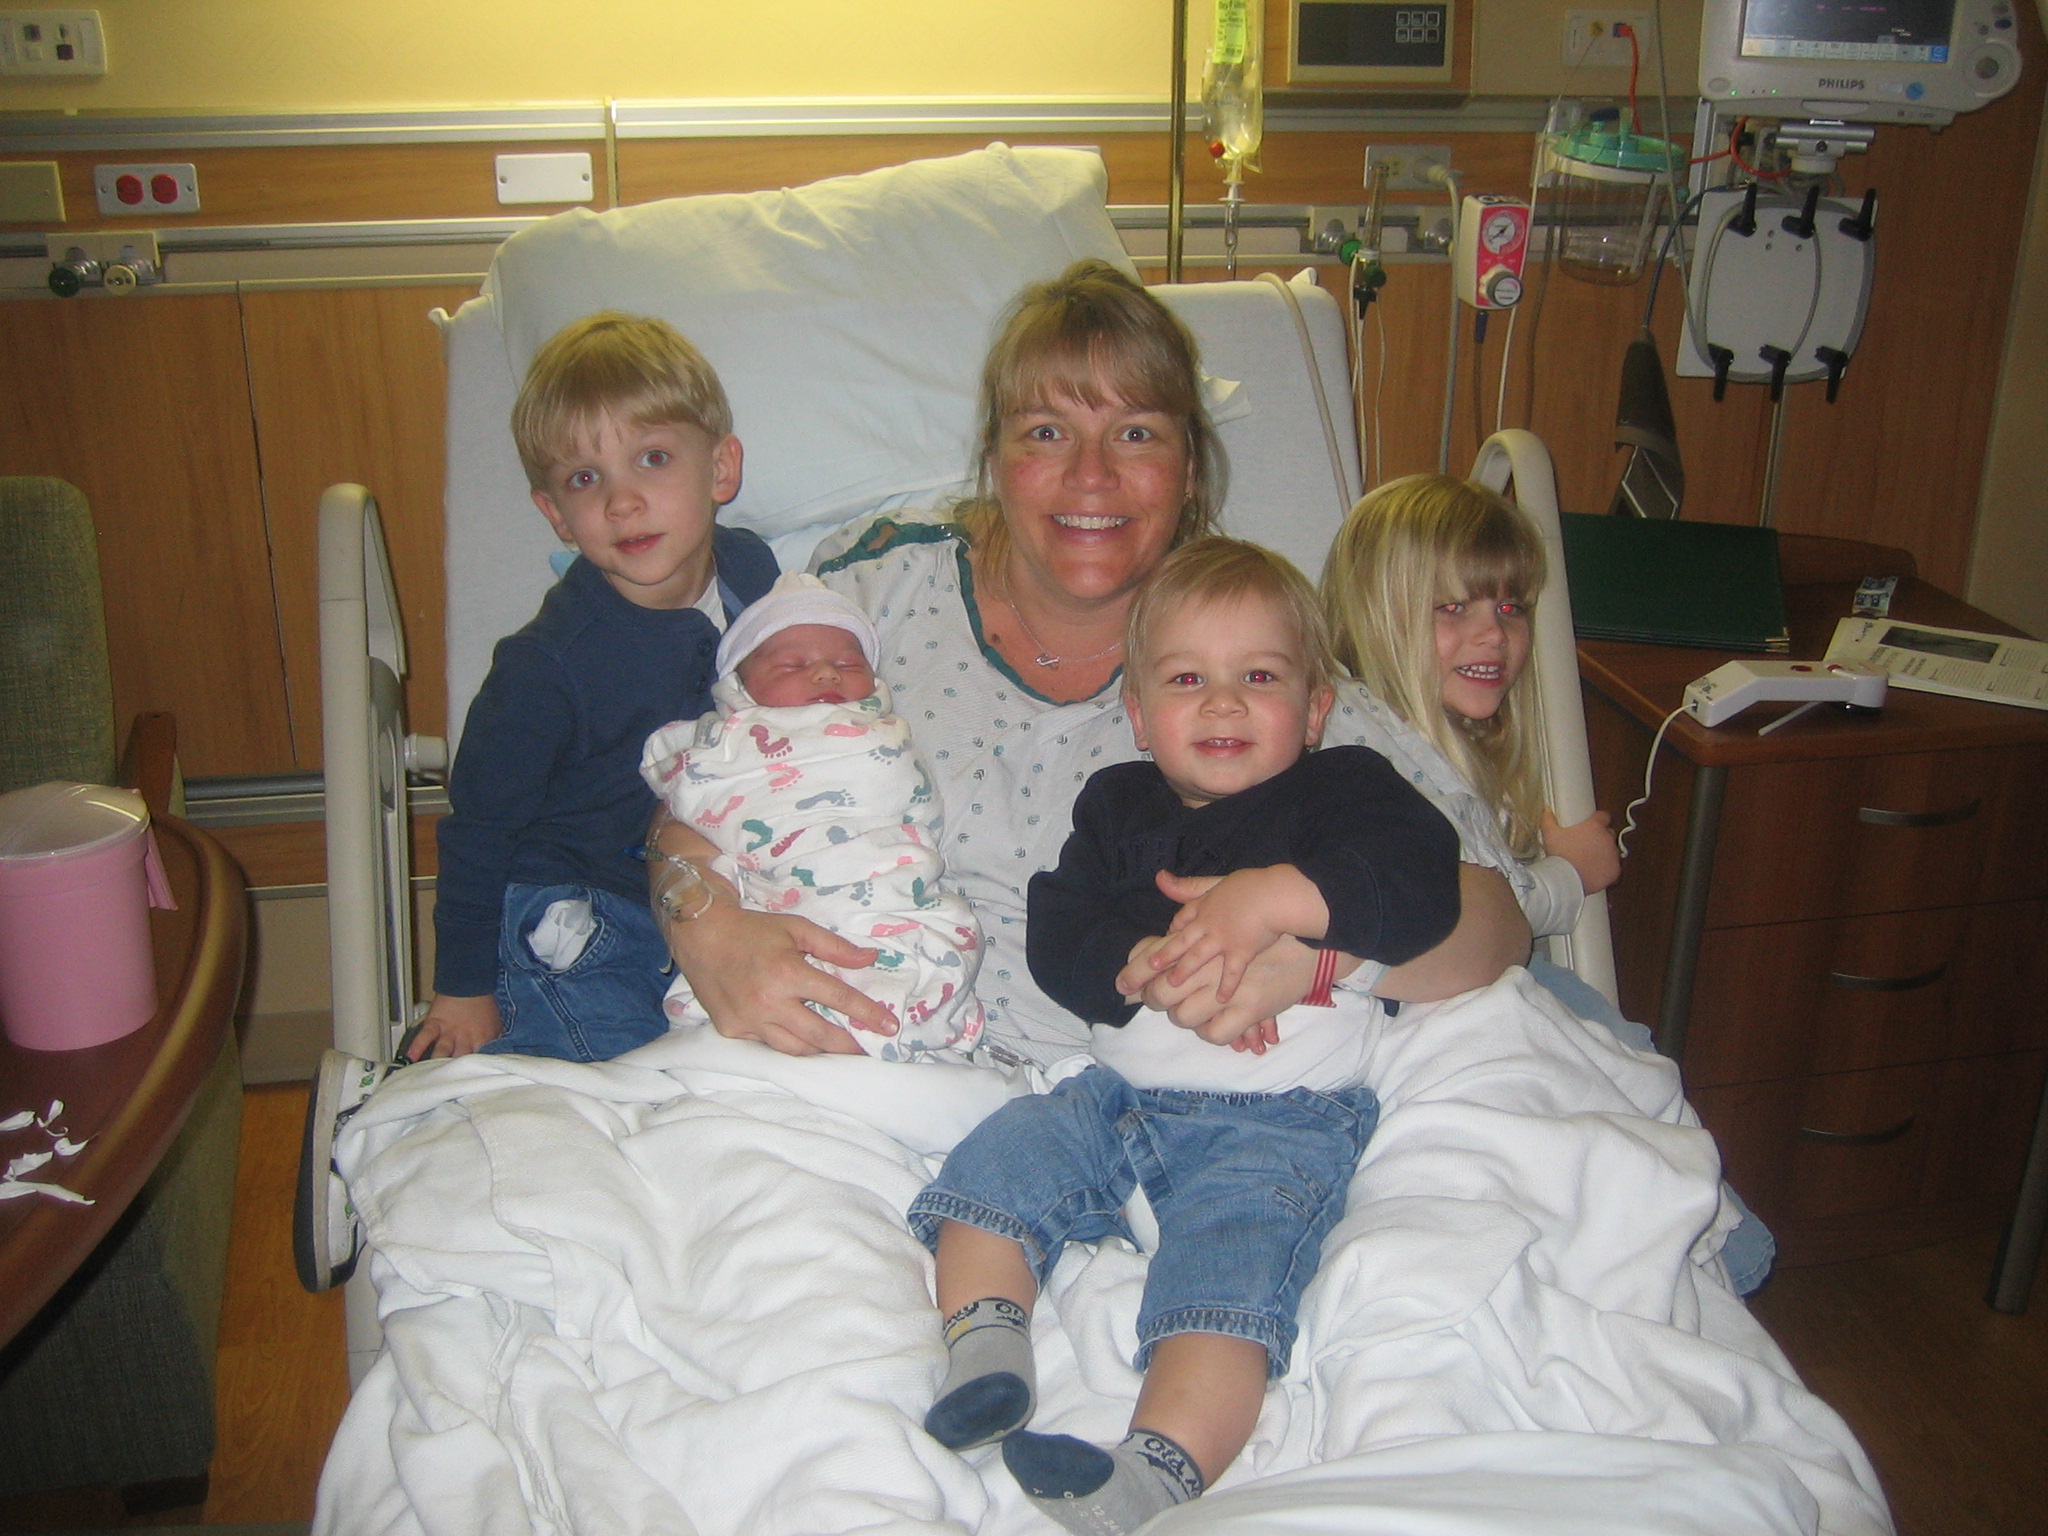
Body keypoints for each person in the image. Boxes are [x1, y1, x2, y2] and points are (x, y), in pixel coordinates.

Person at [648, 259, 1532, 1073]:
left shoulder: (1251, 651)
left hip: (1143, 1102)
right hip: (846, 1067)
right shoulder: (871, 598)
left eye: (1136, 434)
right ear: (995, 458)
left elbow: (1497, 923)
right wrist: (706, 927)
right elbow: (702, 791)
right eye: (1047, 432)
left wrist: (1319, 961)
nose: (1092, 476)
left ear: (1190, 469)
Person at [908, 537, 1463, 1534]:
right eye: (1185, 679)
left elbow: (1423, 882)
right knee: (1000, 1159)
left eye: (1260, 677)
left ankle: (1153, 1470)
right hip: (1115, 1100)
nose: (1221, 704)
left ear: (1315, 708)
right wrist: (1128, 961)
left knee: (1225, 1284)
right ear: (1136, 713)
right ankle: (986, 1350)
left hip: (1276, 1125)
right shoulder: (1116, 805)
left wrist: (1273, 899)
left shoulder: (1346, 792)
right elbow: (1058, 924)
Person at [1320, 472, 1776, 1295]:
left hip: (1439, 987)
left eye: (1511, 606)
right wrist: (1571, 874)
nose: (1493, 634)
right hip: (1417, 1000)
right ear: (1378, 615)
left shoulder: (1413, 734)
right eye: (1451, 608)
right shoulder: (1370, 745)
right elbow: (1478, 914)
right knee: (1617, 1058)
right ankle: (1714, 1239)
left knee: (1615, 1060)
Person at [639, 571, 985, 1061]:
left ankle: (894, 1022)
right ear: (739, 688)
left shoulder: (883, 735)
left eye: (848, 663)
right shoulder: (727, 747)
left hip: (885, 894)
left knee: (925, 948)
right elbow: (682, 807)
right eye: (792, 665)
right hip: (771, 910)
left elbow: (915, 812)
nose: (826, 674)